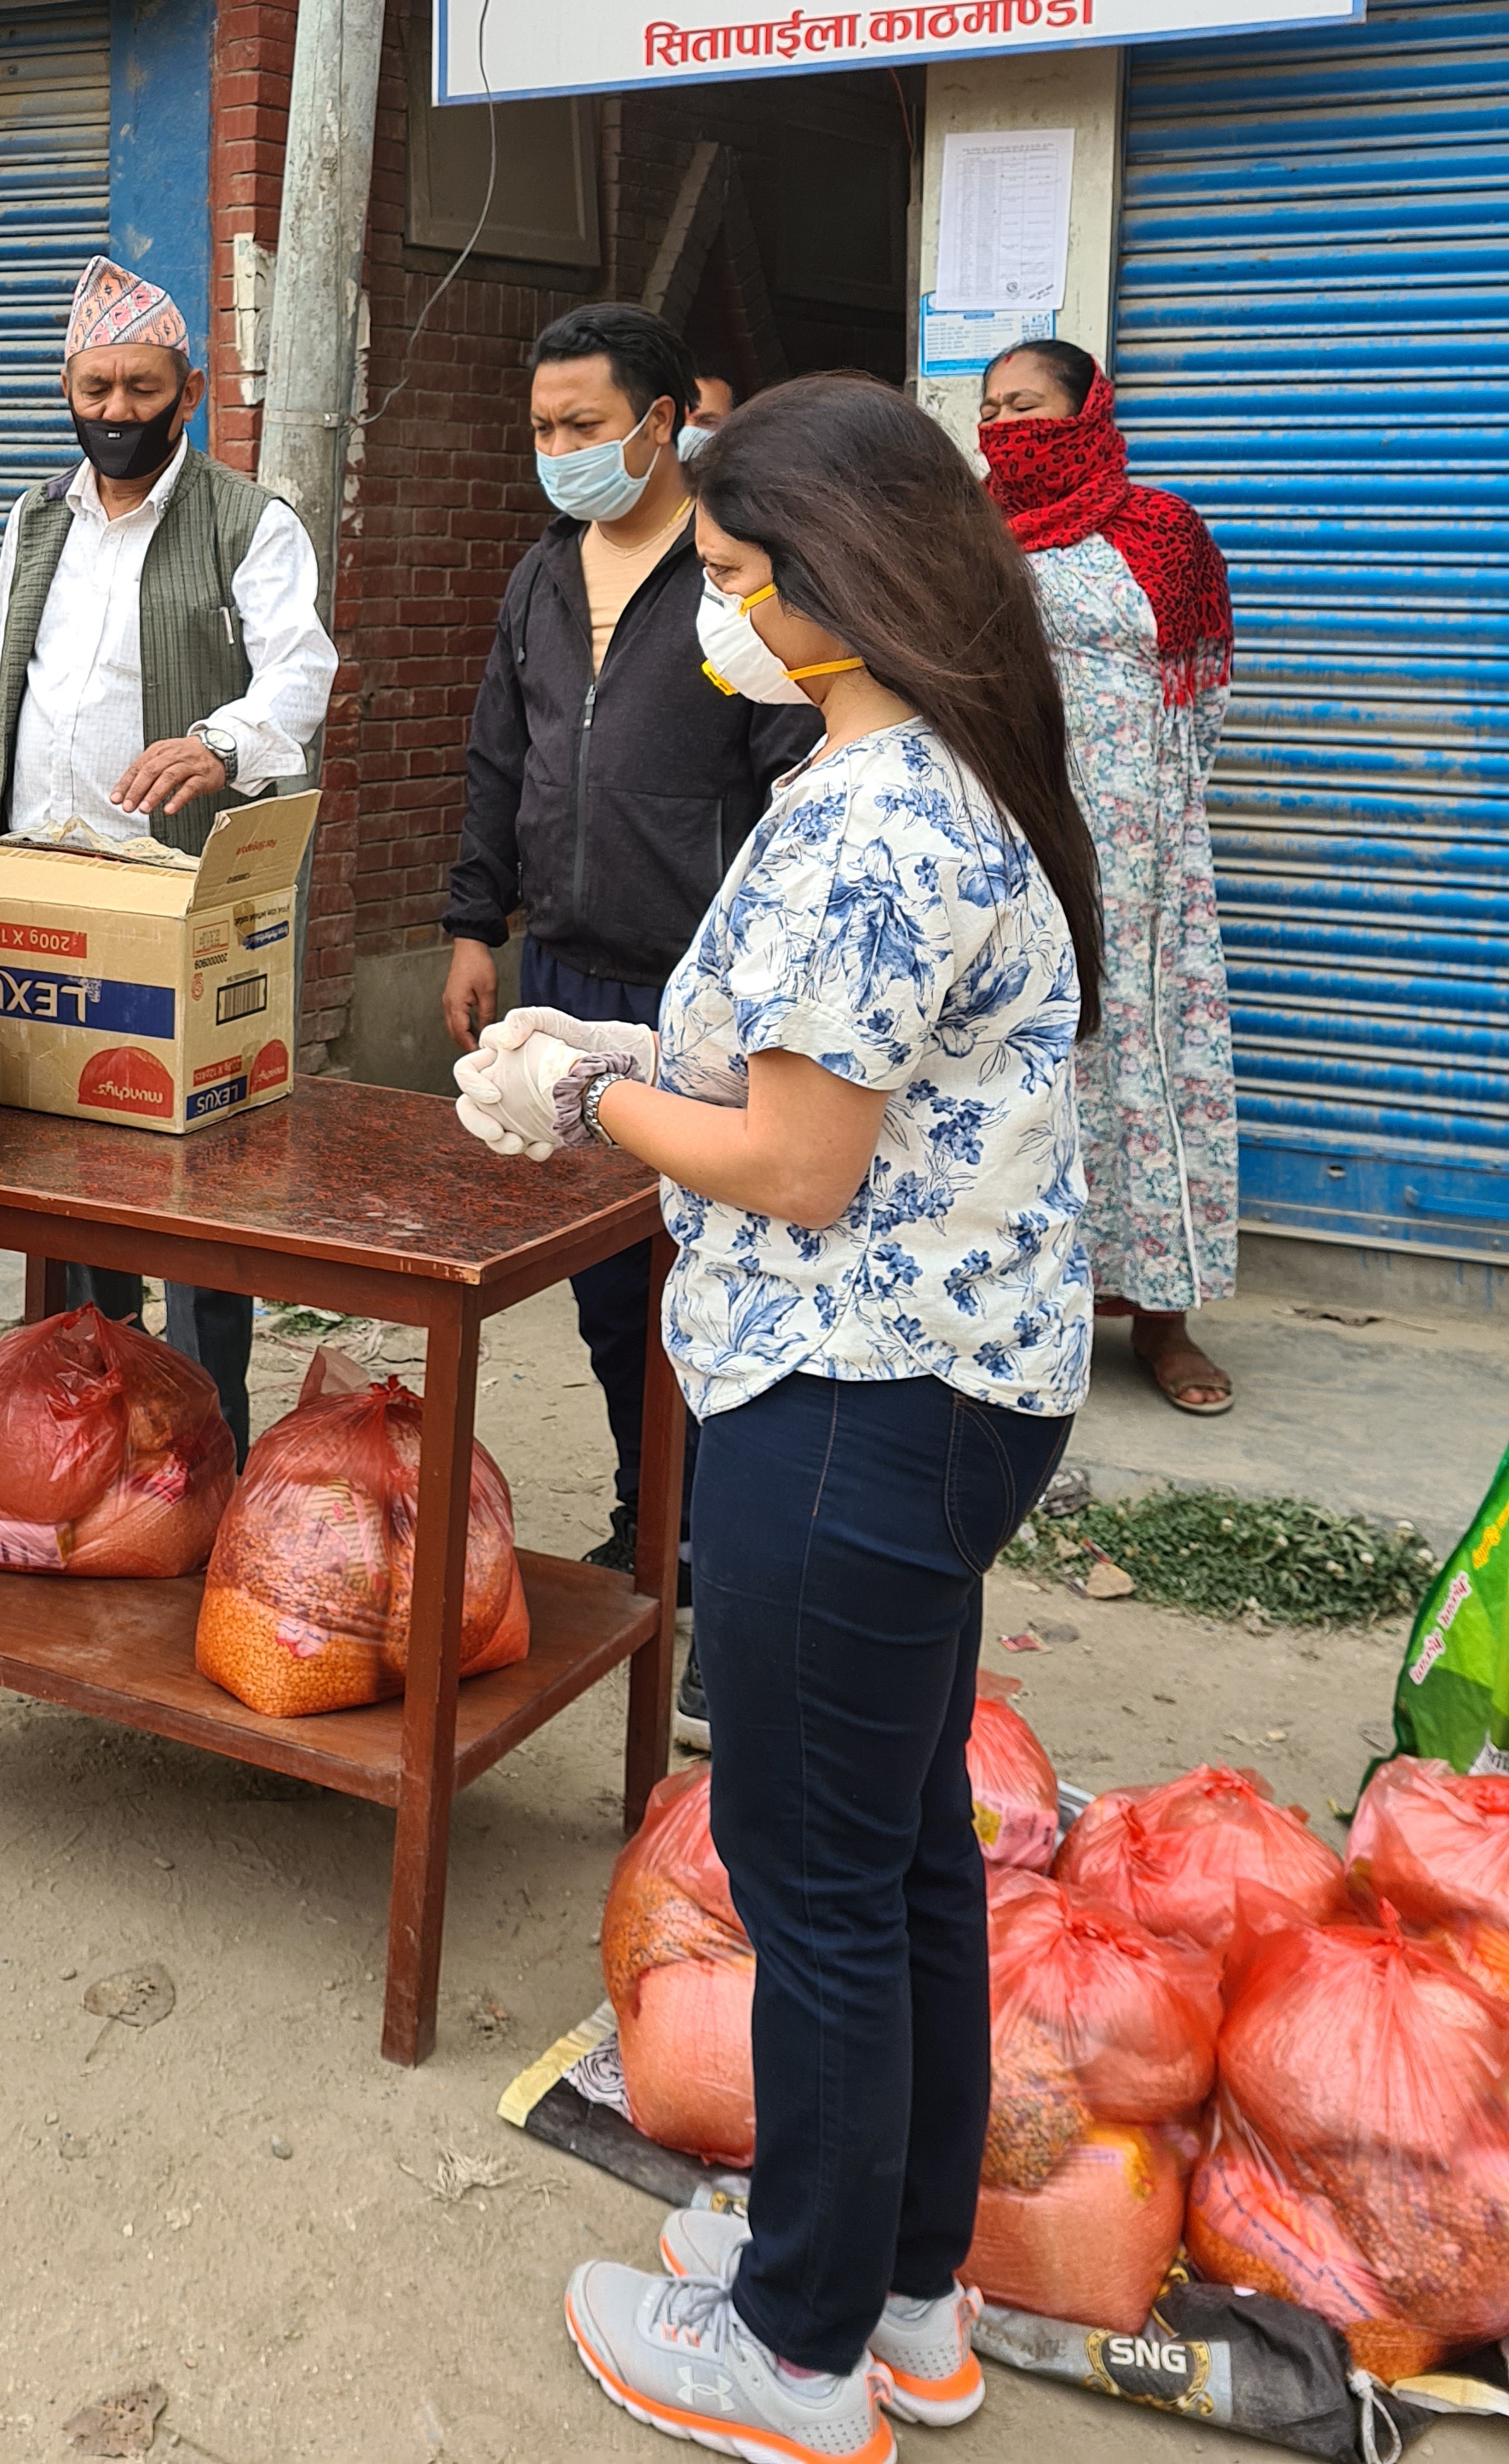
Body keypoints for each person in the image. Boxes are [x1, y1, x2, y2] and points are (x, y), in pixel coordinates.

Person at [454, 374, 1098, 2463]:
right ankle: (905, 2295)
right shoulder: (924, 769)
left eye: (733, 573)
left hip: (849, 1398)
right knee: (898, 1859)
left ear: (837, 576)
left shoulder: (879, 816)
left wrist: (582, 1095)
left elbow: (800, 1163)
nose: (713, 608)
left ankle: (798, 2356)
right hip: (935, 1388)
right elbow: (810, 1071)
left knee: (813, 1878)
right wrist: (617, 1041)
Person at [440, 308, 815, 1690]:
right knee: (609, 1297)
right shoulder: (542, 574)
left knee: (718, 1295)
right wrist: (470, 923)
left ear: (659, 424)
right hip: (563, 971)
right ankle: (651, 1533)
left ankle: (730, 1584)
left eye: (582, 426)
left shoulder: (733, 576)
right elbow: (499, 756)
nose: (557, 450)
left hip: (697, 990)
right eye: (542, 428)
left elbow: (791, 774)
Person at [0, 256, 338, 1459]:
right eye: (96, 388)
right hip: (49, 882)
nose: (116, 409)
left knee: (199, 1178)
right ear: (67, 389)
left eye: (141, 387)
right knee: (73, 1169)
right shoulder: (37, 517)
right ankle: (98, 1436)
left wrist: (220, 743)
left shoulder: (249, 521)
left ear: (190, 391)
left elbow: (301, 675)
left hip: (183, 898)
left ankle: (208, 1442)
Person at [979, 338, 1237, 1418]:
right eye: (992, 410)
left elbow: (1203, 685)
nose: (1006, 429)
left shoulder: (1161, 531)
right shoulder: (966, 533)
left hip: (1139, 859)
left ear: (1088, 411)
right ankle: (1035, 1306)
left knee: (1144, 1057)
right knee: (1027, 1057)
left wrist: (1159, 819)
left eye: (1028, 406)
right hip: (1007, 837)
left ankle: (1163, 1318)